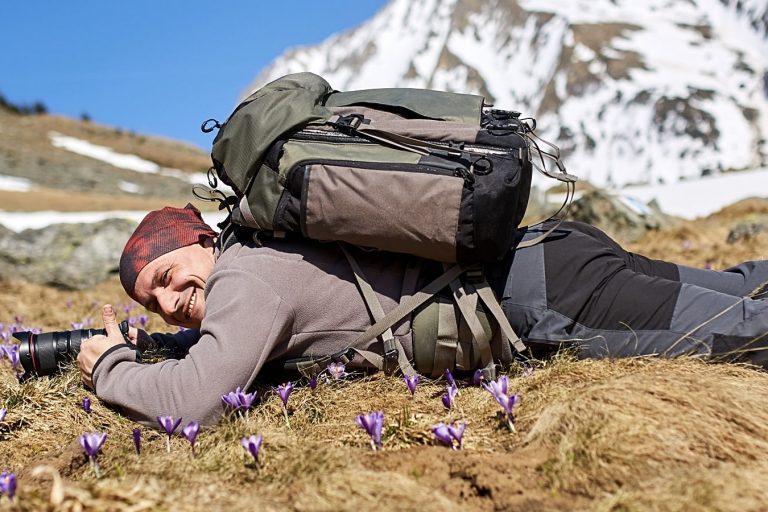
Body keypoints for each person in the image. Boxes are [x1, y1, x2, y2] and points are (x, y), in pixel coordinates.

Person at [77, 204, 768, 426]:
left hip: (548, 299)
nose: (171, 305)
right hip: (547, 256)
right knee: (745, 292)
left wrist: (109, 366)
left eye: (168, 279)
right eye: (153, 304)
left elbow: (193, 405)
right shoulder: (265, 247)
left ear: (201, 241)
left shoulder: (246, 277)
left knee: (747, 337)